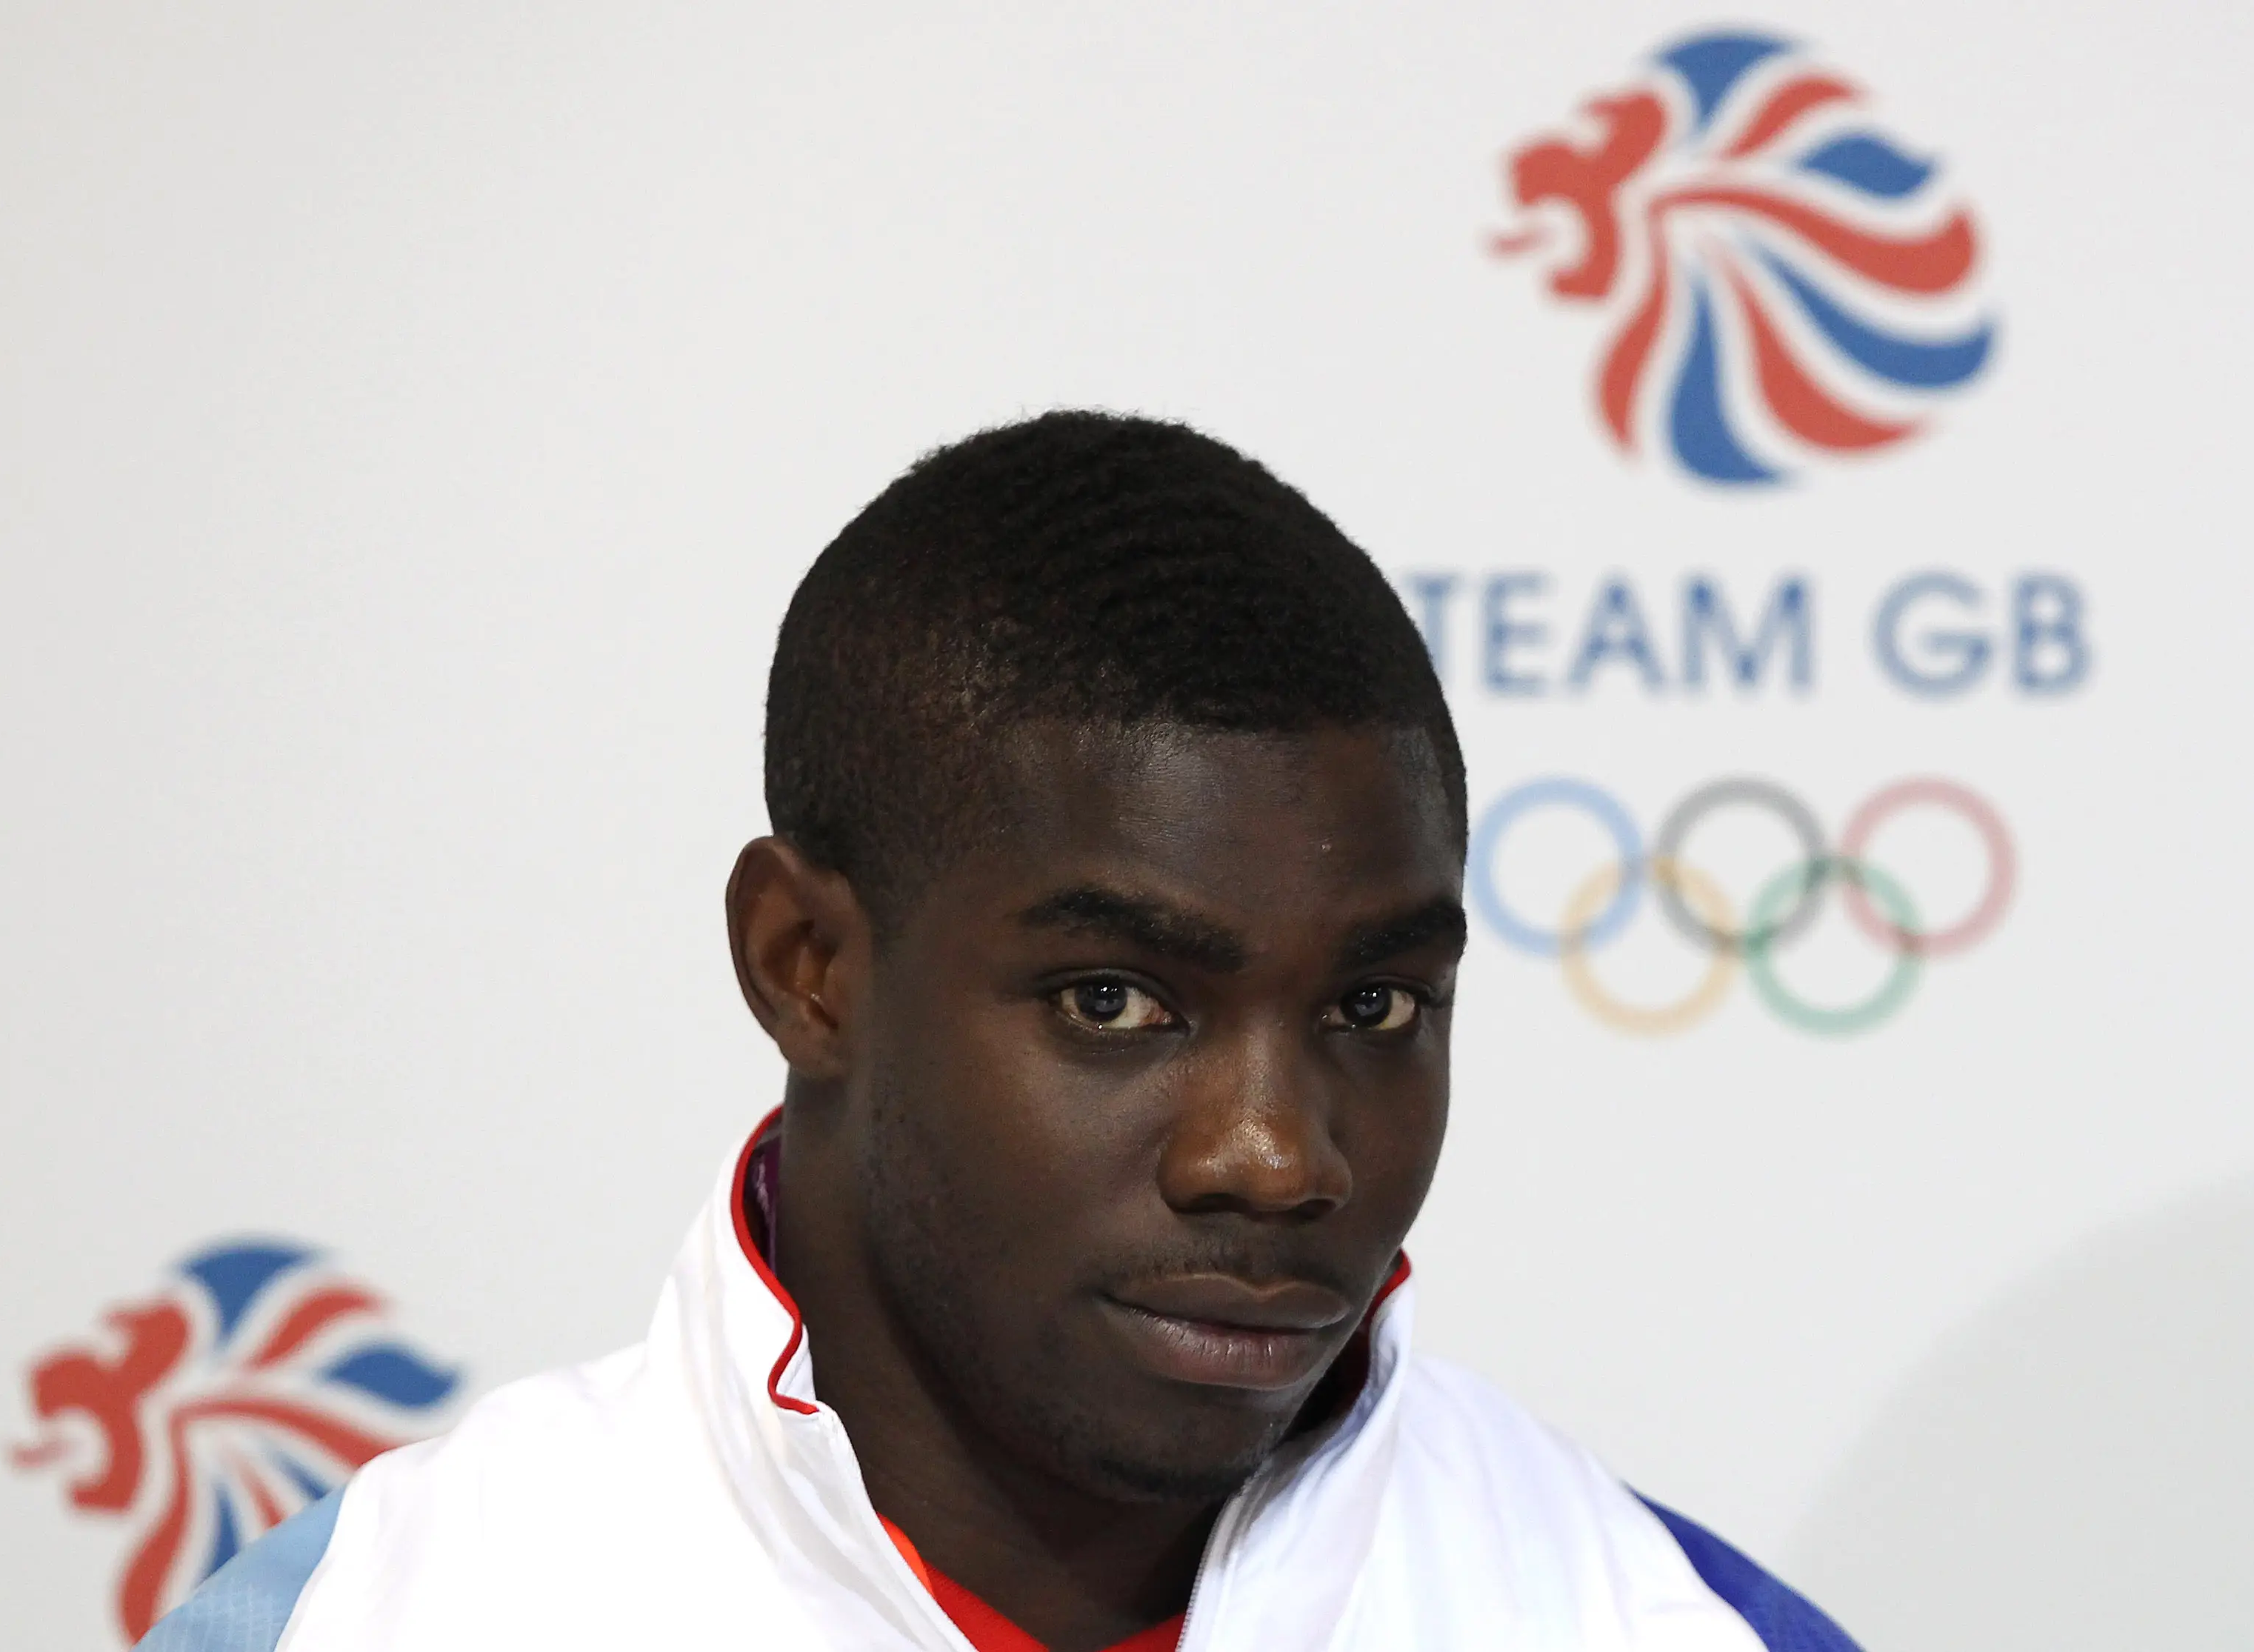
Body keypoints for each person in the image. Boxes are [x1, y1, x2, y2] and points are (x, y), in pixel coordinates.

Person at [141, 413, 1864, 1651]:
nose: (1278, 1150)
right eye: (1117, 1000)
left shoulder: (1669, 1620)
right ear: (805, 962)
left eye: (1373, 1005)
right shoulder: (369, 1616)